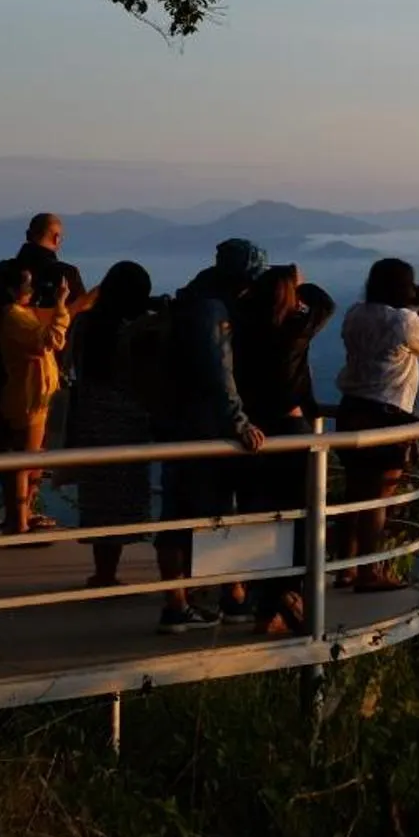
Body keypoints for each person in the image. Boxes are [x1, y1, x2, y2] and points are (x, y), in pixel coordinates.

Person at [154, 239, 268, 634]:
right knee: (211, 510)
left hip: (178, 423)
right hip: (200, 429)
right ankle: (209, 600)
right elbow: (219, 374)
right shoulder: (211, 311)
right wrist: (239, 423)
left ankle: (202, 599)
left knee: (186, 510)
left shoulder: (192, 299)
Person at [234, 265, 335, 635]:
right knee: (298, 513)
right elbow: (325, 304)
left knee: (260, 512)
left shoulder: (243, 326)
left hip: (253, 431)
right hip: (289, 429)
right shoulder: (294, 330)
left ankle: (267, 600)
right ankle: (289, 595)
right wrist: (301, 286)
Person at [334, 257, 419, 594]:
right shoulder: (404, 321)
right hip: (386, 415)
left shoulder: (355, 314)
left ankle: (345, 568)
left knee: (355, 494)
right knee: (379, 497)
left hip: (350, 410)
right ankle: (369, 572)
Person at [66, 261, 161, 587]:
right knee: (124, 496)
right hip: (128, 420)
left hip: (90, 417)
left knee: (98, 497)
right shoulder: (138, 329)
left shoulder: (85, 324)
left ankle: (103, 572)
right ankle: (109, 573)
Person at [0, 253, 78, 536]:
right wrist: (62, 306)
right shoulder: (14, 317)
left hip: (34, 396)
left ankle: (23, 515)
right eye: (26, 285)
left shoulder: (20, 315)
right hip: (28, 398)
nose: (31, 290)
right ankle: (19, 521)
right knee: (25, 460)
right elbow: (51, 340)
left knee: (32, 460)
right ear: (11, 289)